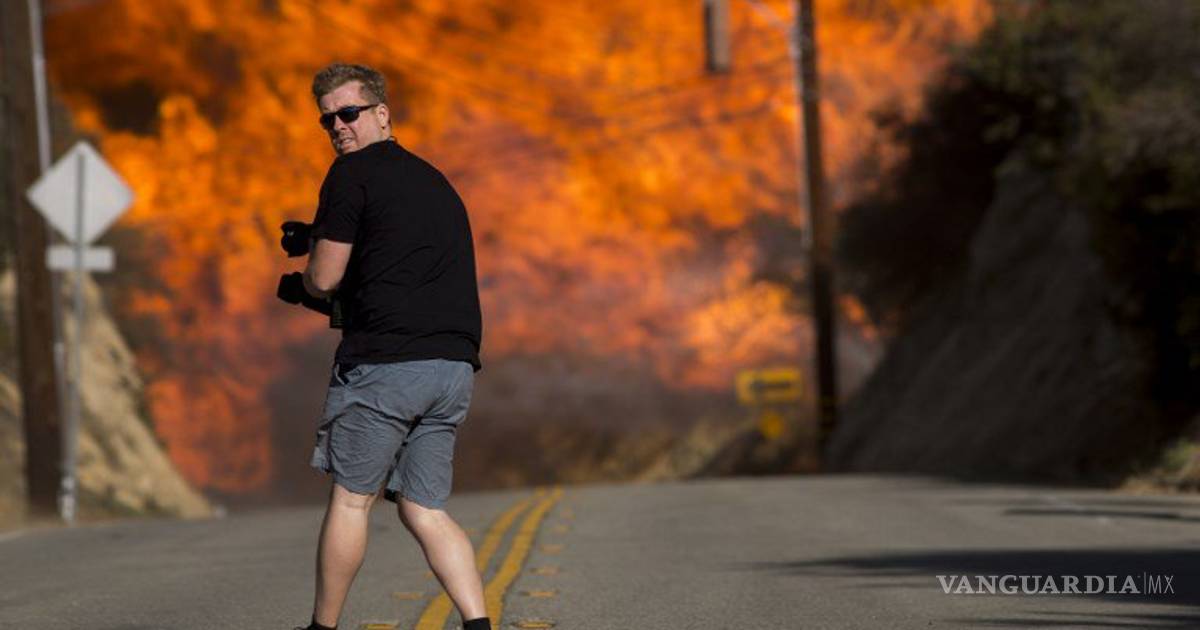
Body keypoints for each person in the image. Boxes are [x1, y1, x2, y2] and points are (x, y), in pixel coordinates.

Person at [279, 62, 489, 630]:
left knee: (352, 500)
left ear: (381, 113)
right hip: (451, 369)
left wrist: (302, 283)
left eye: (348, 113)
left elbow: (326, 278)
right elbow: (397, 265)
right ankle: (478, 625)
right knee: (424, 507)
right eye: (327, 120)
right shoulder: (434, 181)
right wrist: (316, 235)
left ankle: (322, 629)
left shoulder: (351, 175)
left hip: (387, 368)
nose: (337, 127)